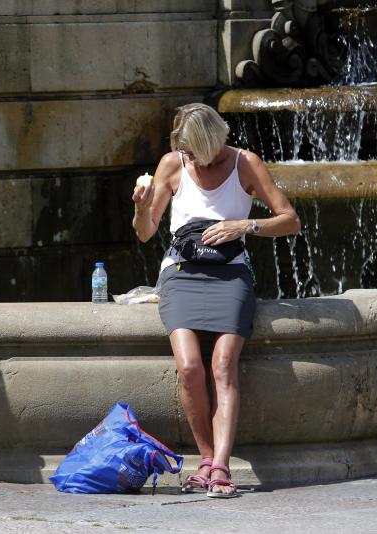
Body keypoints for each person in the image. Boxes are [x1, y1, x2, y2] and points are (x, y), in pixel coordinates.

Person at [132, 103, 300, 498]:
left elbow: (290, 219)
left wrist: (246, 225)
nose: (188, 156)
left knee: (223, 363)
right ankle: (206, 458)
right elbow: (145, 232)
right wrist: (141, 207)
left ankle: (222, 466)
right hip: (180, 273)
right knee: (190, 367)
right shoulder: (172, 165)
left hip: (231, 274)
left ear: (212, 142)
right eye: (184, 150)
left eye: (193, 149)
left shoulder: (246, 164)